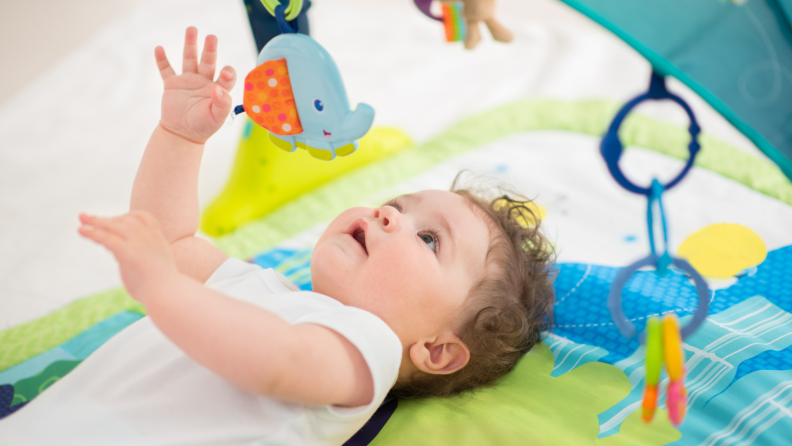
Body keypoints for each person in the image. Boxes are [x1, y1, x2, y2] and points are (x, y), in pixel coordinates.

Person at [0, 27, 554, 445]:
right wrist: (179, 137)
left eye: (429, 240)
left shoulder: (368, 349)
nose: (390, 217)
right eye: (396, 206)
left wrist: (165, 292)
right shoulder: (261, 288)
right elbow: (171, 244)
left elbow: (280, 361)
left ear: (436, 349)